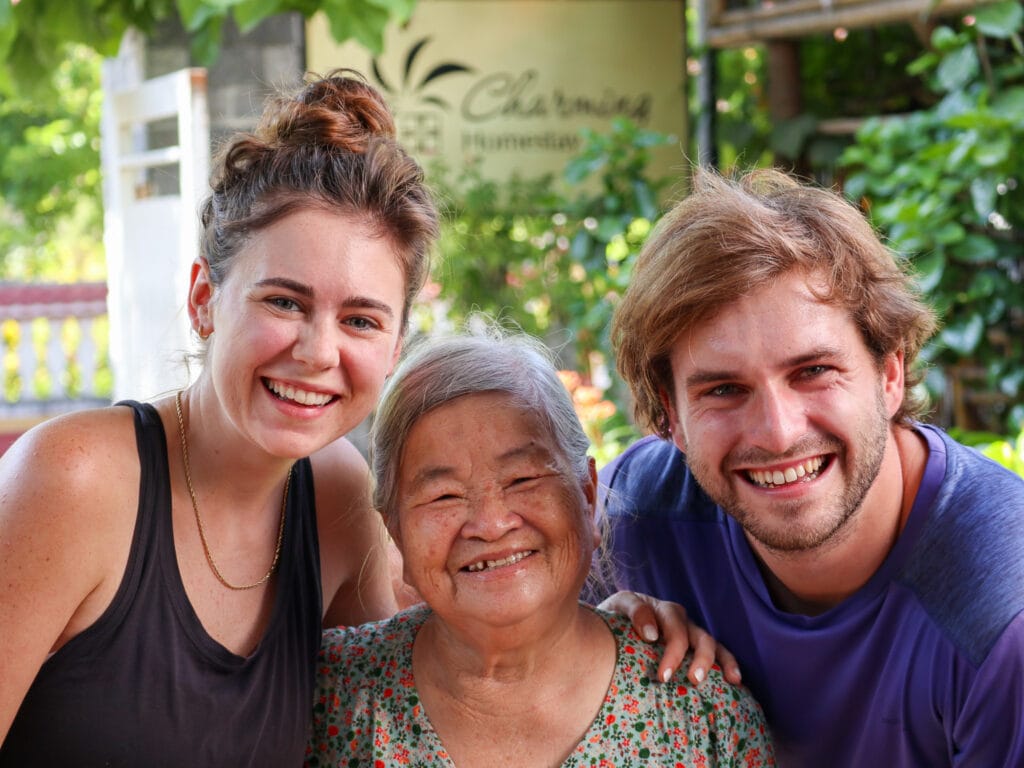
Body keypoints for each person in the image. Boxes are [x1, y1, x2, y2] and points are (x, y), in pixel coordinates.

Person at [0, 70, 715, 766]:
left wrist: (609, 625)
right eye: (283, 302)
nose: (318, 352)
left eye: (361, 319)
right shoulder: (73, 481)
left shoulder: (335, 493)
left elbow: (414, 673)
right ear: (203, 299)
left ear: (396, 344)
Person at [599, 166, 1024, 766]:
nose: (778, 432)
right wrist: (586, 634)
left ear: (890, 374)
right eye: (723, 389)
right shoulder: (636, 514)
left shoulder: (1002, 615)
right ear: (670, 416)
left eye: (814, 371)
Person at [305, 328, 776, 767]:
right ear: (396, 533)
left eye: (524, 479)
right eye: (443, 495)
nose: (490, 525)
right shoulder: (326, 698)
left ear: (588, 496)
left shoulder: (703, 717)